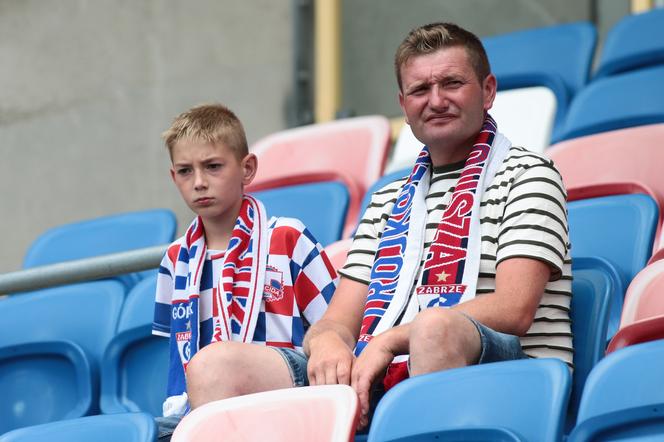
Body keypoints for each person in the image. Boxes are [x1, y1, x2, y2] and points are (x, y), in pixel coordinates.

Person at [303, 22, 572, 429]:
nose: (436, 100)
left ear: (488, 91)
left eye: (452, 83)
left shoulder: (529, 174)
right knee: (223, 366)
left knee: (434, 330)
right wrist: (326, 343)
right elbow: (339, 321)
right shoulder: (386, 199)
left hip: (517, 378)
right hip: (382, 366)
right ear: (403, 105)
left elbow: (514, 309)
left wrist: (390, 341)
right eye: (420, 90)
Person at [152, 104, 338, 439]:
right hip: (208, 399)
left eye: (212, 167)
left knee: (219, 371)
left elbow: (335, 325)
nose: (198, 183)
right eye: (185, 171)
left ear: (247, 168)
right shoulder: (175, 259)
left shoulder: (288, 237)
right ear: (173, 176)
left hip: (289, 385)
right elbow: (178, 362)